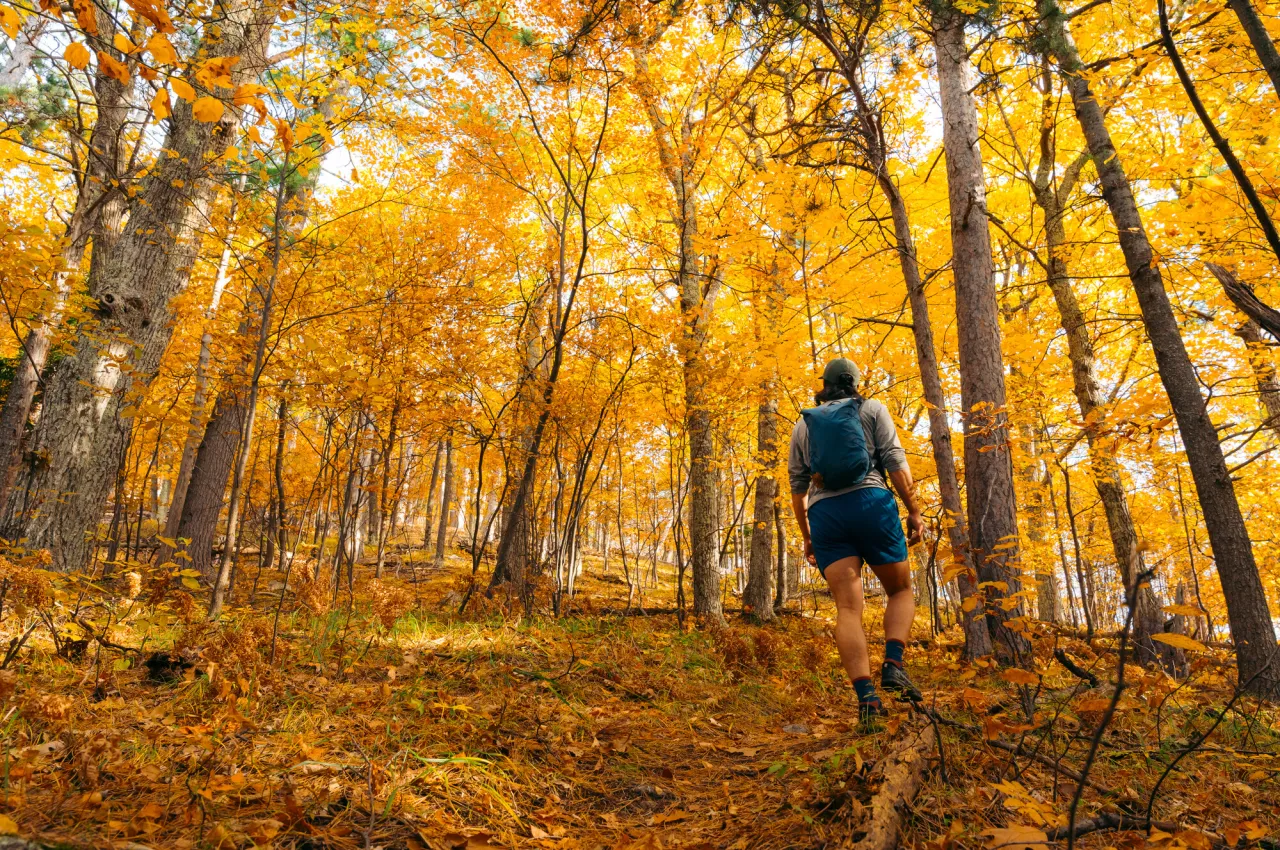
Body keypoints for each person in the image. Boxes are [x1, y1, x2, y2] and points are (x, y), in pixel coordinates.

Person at [788, 357, 924, 719]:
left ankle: (867, 700)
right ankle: (893, 665)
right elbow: (895, 461)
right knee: (901, 590)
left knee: (848, 609)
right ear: (855, 382)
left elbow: (797, 488)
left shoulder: (804, 426)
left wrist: (808, 536)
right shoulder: (873, 409)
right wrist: (913, 509)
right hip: (872, 505)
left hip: (826, 517)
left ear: (825, 385)